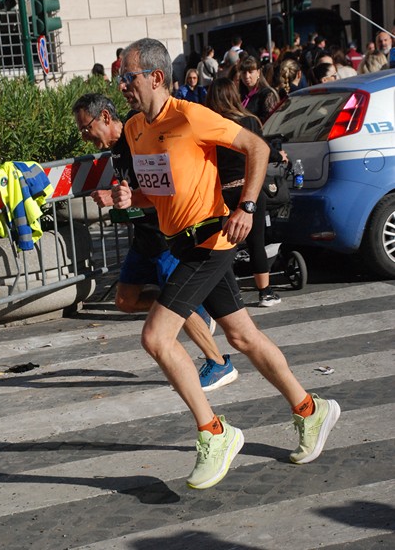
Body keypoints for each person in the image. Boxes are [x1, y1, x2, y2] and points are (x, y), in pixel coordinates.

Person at [112, 37, 340, 490]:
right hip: (180, 243)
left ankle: (215, 433)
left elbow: (256, 147)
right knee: (242, 335)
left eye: (127, 77)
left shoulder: (190, 115)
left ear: (155, 77)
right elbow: (159, 192)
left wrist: (248, 207)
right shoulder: (135, 129)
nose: (122, 87)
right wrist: (128, 197)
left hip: (212, 239)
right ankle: (311, 410)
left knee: (156, 337)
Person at [72, 92, 238, 392]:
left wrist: (121, 198)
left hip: (163, 236)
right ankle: (193, 310)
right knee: (125, 300)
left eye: (86, 128)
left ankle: (218, 361)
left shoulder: (138, 138)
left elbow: (162, 191)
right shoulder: (117, 150)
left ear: (106, 118)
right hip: (143, 239)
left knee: (177, 306)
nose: (85, 136)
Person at [206, 77, 285, 306]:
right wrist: (280, 156)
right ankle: (266, 293)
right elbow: (263, 150)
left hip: (219, 194)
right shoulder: (250, 122)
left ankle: (231, 296)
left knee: (224, 247)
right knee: (255, 242)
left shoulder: (210, 126)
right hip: (249, 191)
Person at [239, 55, 279, 124]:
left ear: (258, 72)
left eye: (250, 72)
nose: (247, 76)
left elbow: (269, 121)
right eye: (244, 72)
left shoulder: (267, 94)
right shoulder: (240, 95)